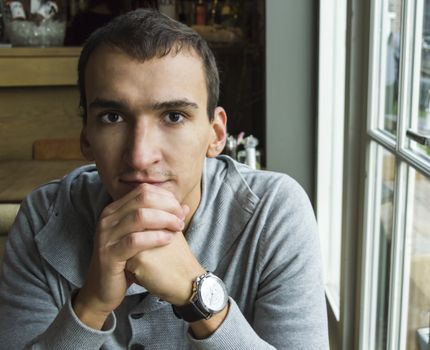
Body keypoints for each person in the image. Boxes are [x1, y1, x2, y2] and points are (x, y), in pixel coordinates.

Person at [0, 9, 329, 349]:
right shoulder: (44, 216)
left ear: (215, 134)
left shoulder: (275, 213)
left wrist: (198, 296)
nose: (140, 156)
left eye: (173, 116)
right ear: (86, 138)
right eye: (113, 117)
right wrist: (90, 306)